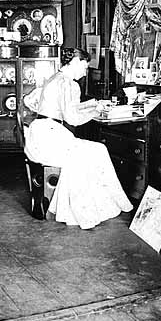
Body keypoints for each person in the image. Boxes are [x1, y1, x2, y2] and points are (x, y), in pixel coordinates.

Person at [23, 48, 133, 230]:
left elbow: (62, 107)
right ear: (75, 61)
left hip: (39, 135)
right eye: (85, 65)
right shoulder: (70, 84)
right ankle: (101, 205)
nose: (85, 70)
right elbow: (72, 118)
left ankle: (106, 202)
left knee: (93, 150)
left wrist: (91, 104)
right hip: (50, 137)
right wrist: (96, 112)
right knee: (97, 150)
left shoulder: (54, 78)